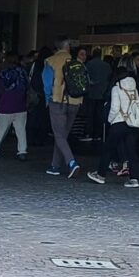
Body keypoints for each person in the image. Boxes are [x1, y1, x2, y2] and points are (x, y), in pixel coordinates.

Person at [91, 54, 139, 188]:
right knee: (131, 151)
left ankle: (100, 175)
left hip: (119, 122)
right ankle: (134, 179)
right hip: (132, 122)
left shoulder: (116, 87)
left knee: (108, 149)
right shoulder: (134, 85)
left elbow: (114, 108)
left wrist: (110, 120)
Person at [43, 41, 86, 178]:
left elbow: (47, 83)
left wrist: (47, 99)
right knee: (63, 135)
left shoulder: (50, 61)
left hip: (57, 100)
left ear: (57, 47)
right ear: (68, 48)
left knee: (59, 134)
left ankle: (71, 162)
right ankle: (55, 166)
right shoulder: (77, 62)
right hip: (75, 101)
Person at [0, 52, 29, 161]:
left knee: (1, 129)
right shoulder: (23, 72)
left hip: (6, 104)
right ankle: (22, 151)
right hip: (21, 105)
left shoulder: (4, 73)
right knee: (21, 130)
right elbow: (27, 87)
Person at [84, 46, 112, 145]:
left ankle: (89, 133)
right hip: (102, 93)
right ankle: (98, 134)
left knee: (90, 114)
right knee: (100, 115)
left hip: (91, 93)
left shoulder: (88, 64)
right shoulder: (106, 66)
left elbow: (85, 77)